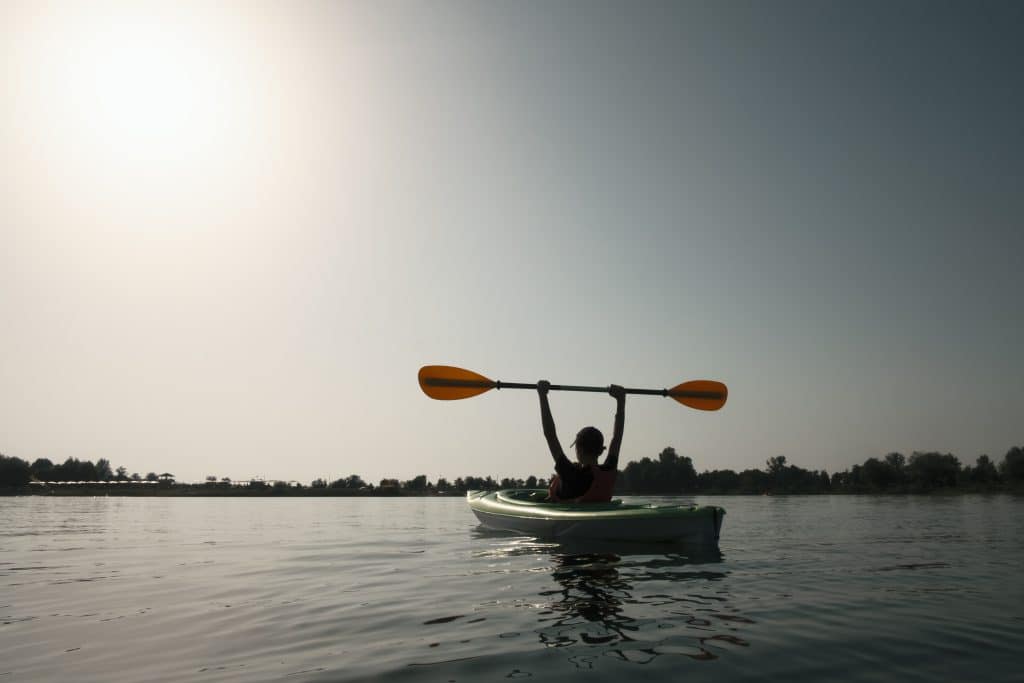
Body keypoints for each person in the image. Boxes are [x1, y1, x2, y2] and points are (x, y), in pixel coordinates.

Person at [537, 379, 626, 502]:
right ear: (601, 450)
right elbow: (617, 437)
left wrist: (542, 395)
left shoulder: (569, 474)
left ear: (579, 450)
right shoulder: (609, 470)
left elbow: (550, 435)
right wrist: (621, 400)